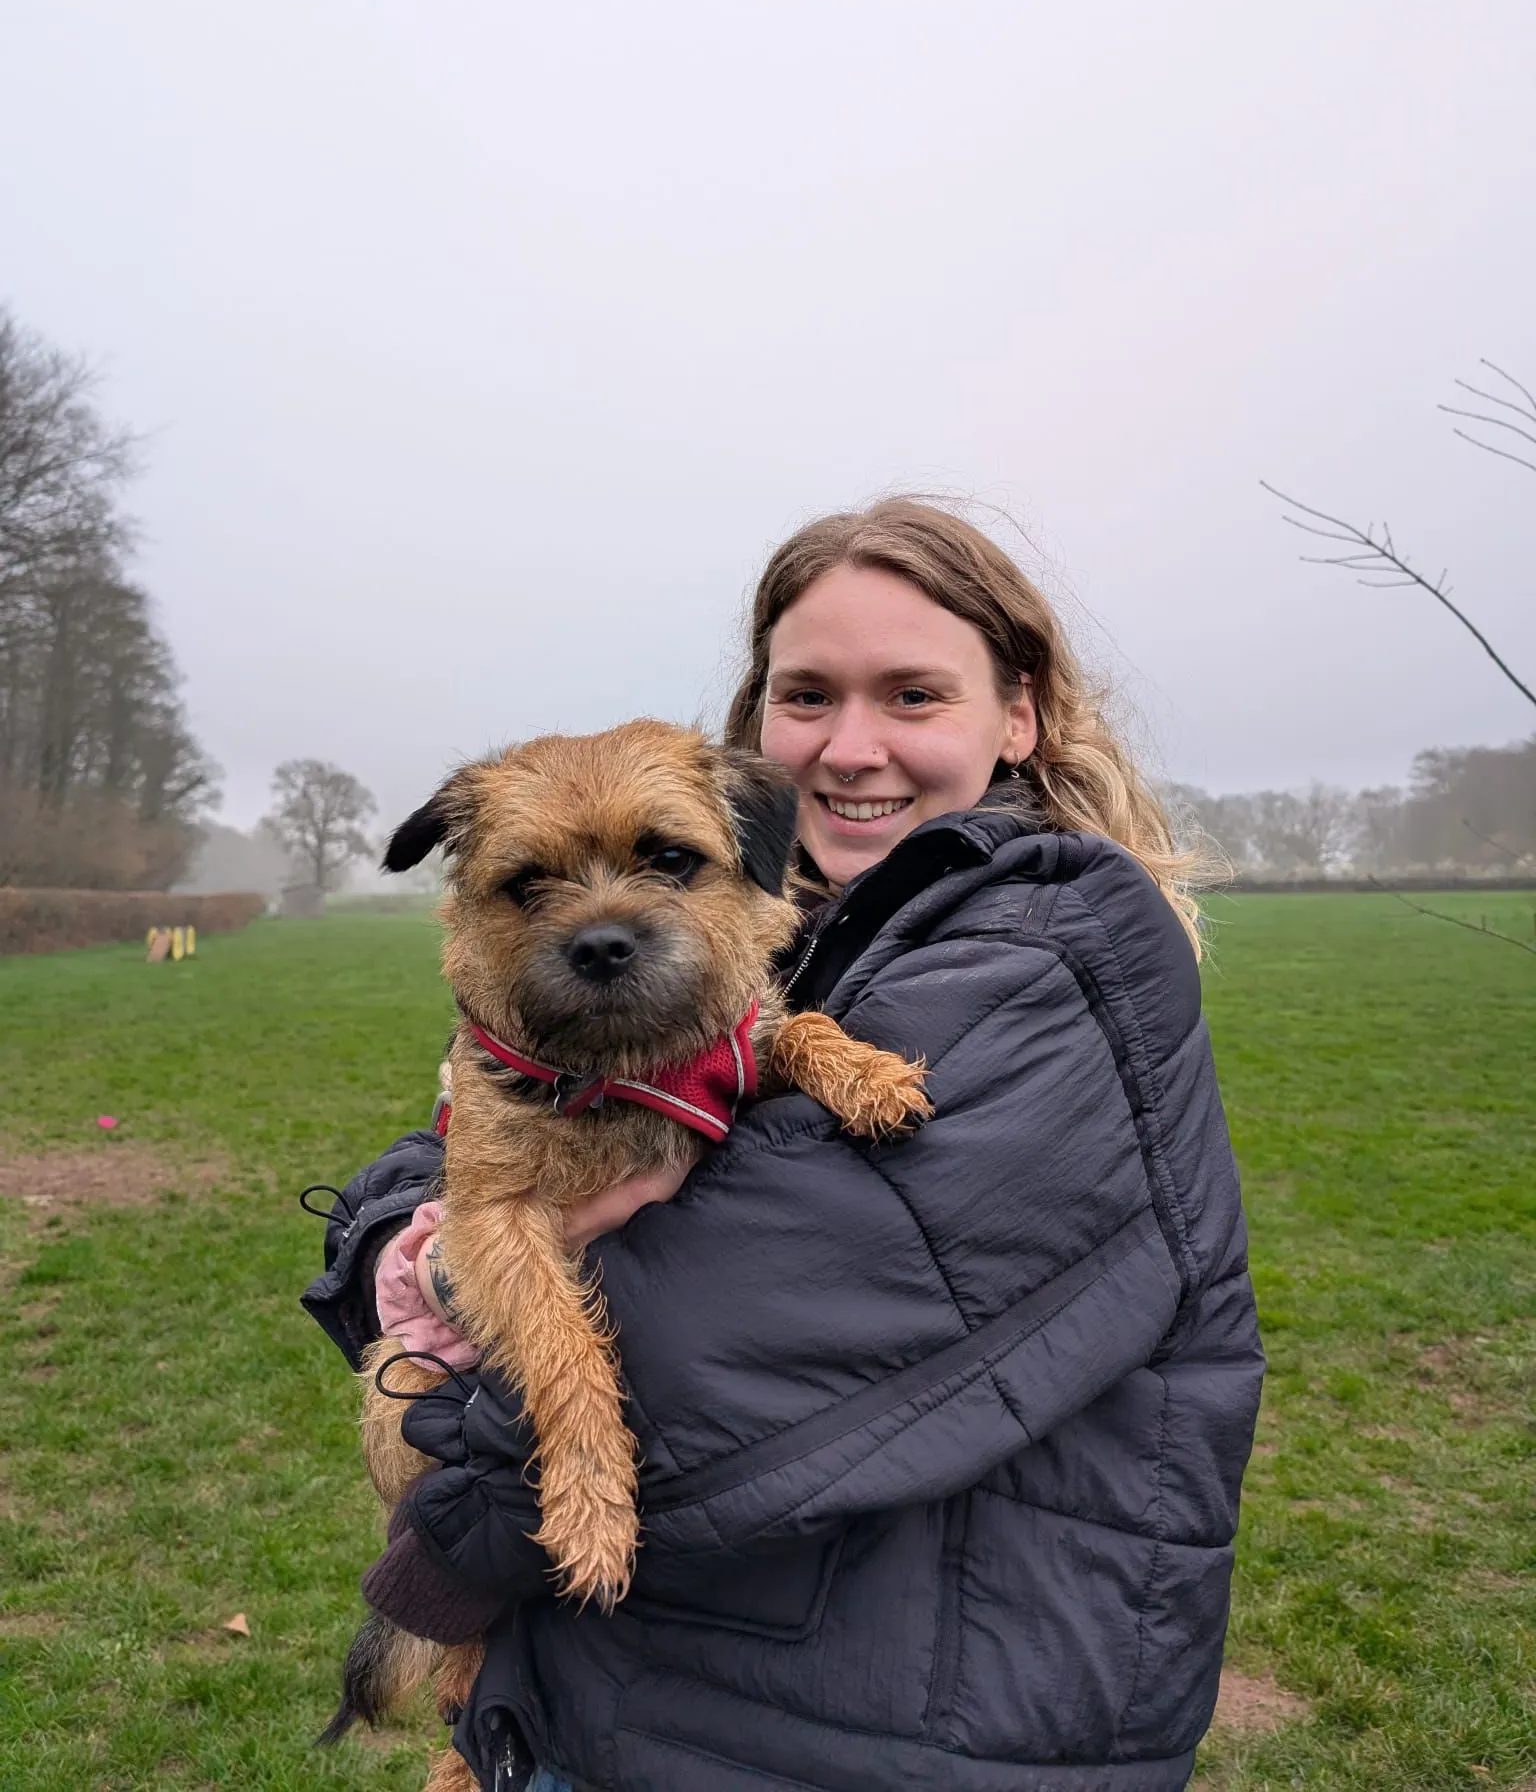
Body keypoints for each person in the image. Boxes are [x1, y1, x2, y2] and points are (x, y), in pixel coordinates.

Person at [303, 498, 1264, 1792]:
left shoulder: (1055, 957)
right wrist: (395, 1242)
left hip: (880, 1737)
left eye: (914, 694)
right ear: (761, 720)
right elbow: (465, 1148)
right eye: (807, 695)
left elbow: (707, 1356)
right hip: (654, 1700)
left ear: (1018, 716)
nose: (852, 748)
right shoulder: (800, 925)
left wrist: (438, 1552)